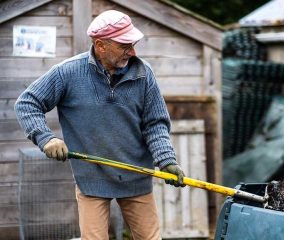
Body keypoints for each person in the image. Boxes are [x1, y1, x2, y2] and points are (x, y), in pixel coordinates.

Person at [15, 10, 186, 240]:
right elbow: (27, 103)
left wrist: (166, 160)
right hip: (91, 178)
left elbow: (155, 124)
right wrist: (46, 138)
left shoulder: (143, 74)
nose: (132, 51)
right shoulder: (68, 73)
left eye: (133, 44)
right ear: (101, 45)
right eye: (125, 45)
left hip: (136, 174)